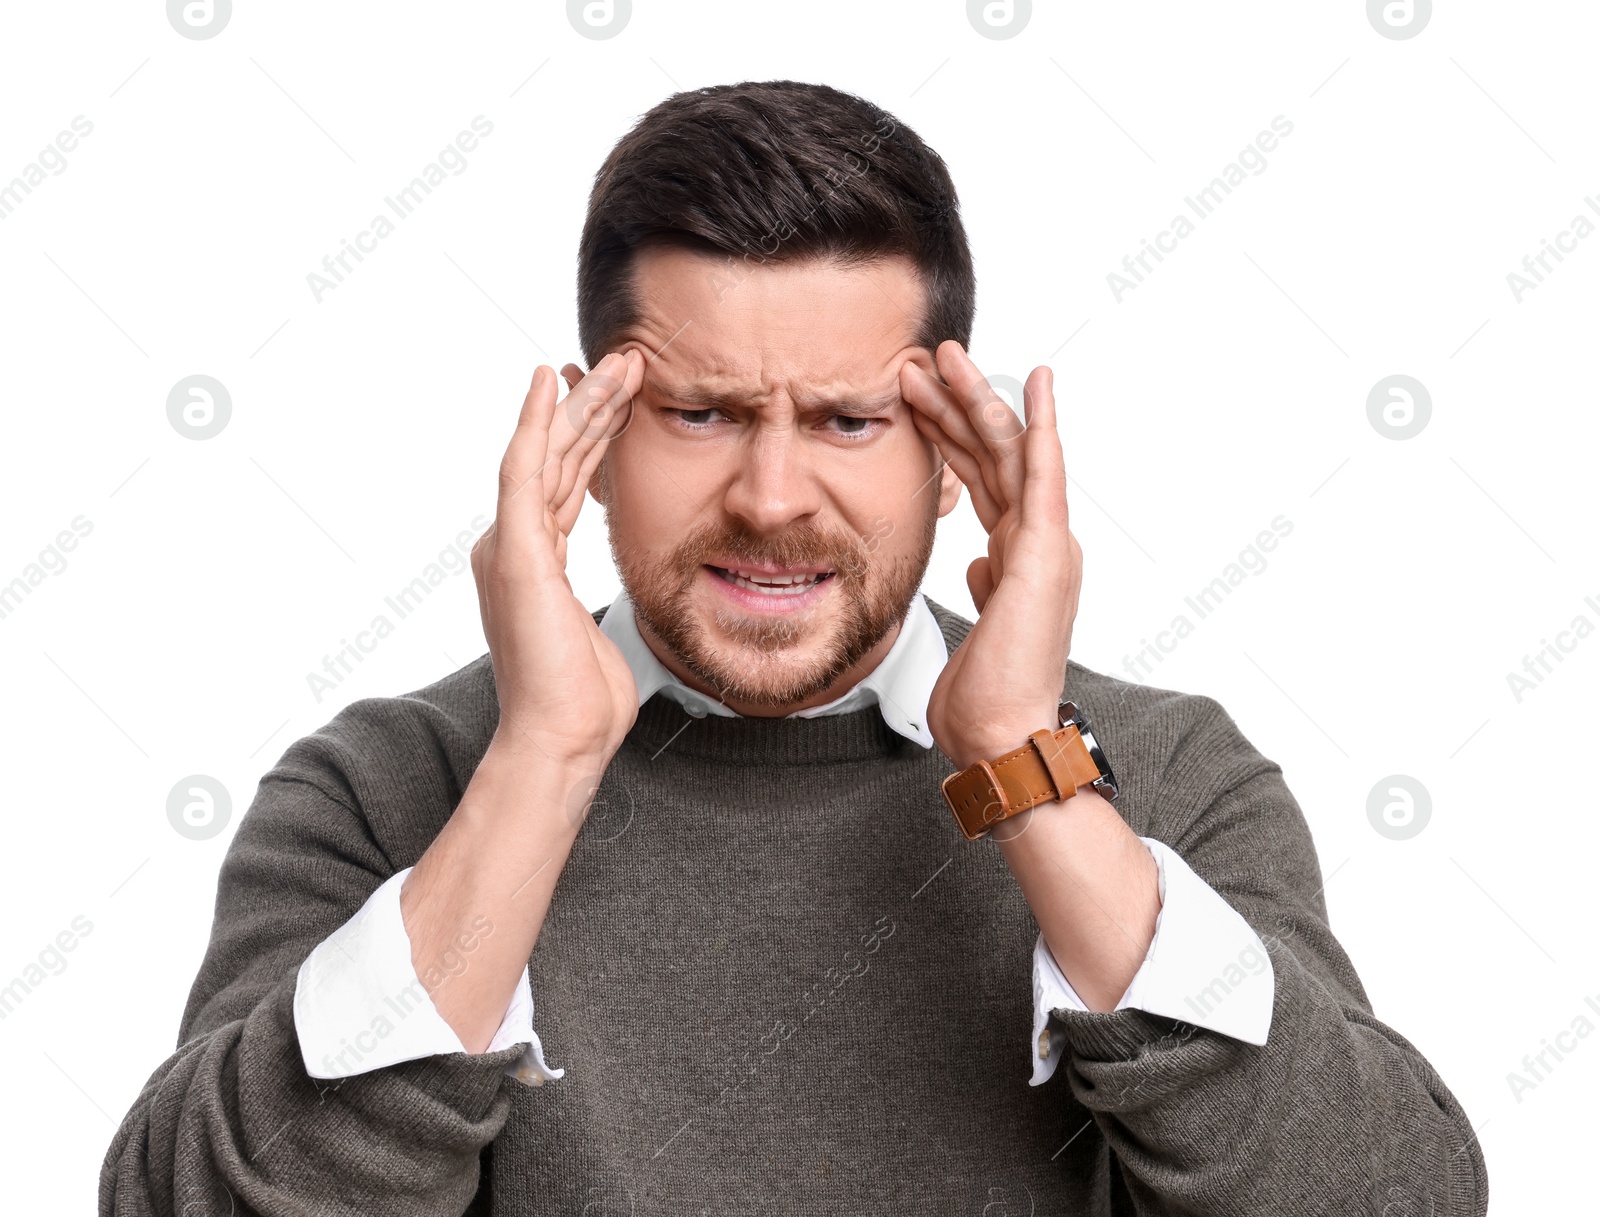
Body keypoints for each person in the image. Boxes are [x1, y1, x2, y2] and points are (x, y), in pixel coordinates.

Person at [102, 80, 1487, 1216]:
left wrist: (1022, 760)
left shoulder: (1168, 772)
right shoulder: (380, 784)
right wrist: (544, 757)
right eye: (700, 413)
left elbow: (1397, 1197)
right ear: (586, 444)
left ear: (953, 454)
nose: (771, 497)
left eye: (846, 420)